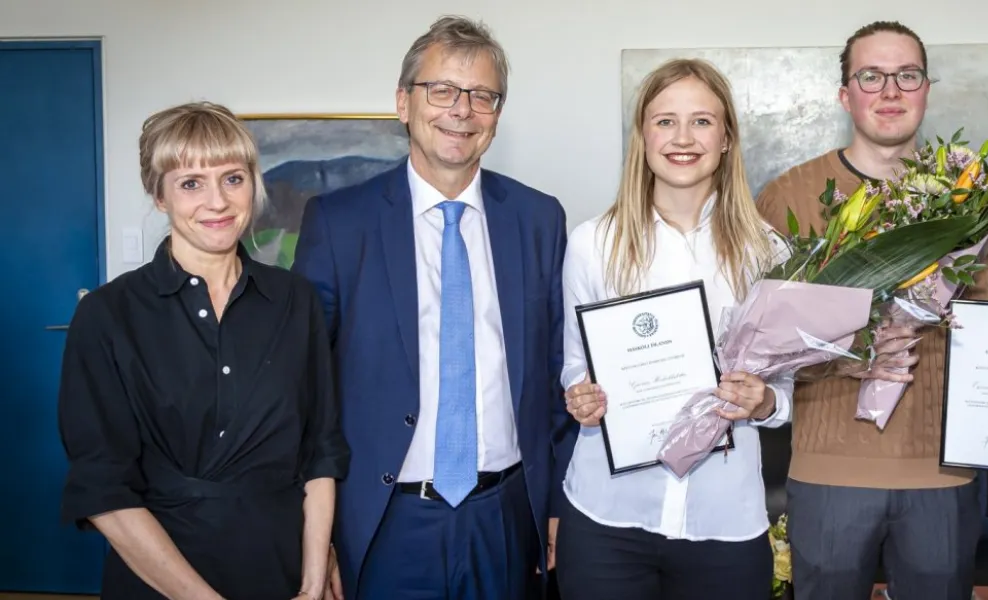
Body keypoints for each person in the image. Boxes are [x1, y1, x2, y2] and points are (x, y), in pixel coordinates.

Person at [754, 21, 988, 600]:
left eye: (907, 75)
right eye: (871, 76)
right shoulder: (790, 196)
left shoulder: (975, 198)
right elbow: (764, 342)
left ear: (927, 89)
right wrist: (854, 351)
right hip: (828, 472)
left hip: (945, 475)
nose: (890, 90)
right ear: (844, 95)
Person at [291, 15, 575, 600]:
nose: (461, 110)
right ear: (404, 103)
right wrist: (318, 537)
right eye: (442, 90)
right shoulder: (340, 223)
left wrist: (557, 505)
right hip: (384, 522)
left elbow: (558, 372)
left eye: (482, 95)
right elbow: (305, 389)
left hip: (506, 517)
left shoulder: (538, 218)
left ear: (497, 114)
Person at [55, 101, 348, 600]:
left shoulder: (295, 300)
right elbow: (103, 489)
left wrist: (313, 578)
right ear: (159, 196)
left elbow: (321, 450)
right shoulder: (107, 315)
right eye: (191, 183)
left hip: (282, 570)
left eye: (233, 179)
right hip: (161, 578)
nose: (218, 202)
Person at [555, 57, 791, 600]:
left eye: (702, 121)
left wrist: (762, 402)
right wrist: (581, 395)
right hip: (607, 516)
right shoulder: (593, 244)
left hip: (724, 520)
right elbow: (574, 363)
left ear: (726, 138)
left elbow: (790, 390)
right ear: (642, 135)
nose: (683, 138)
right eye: (665, 121)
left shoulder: (767, 252)